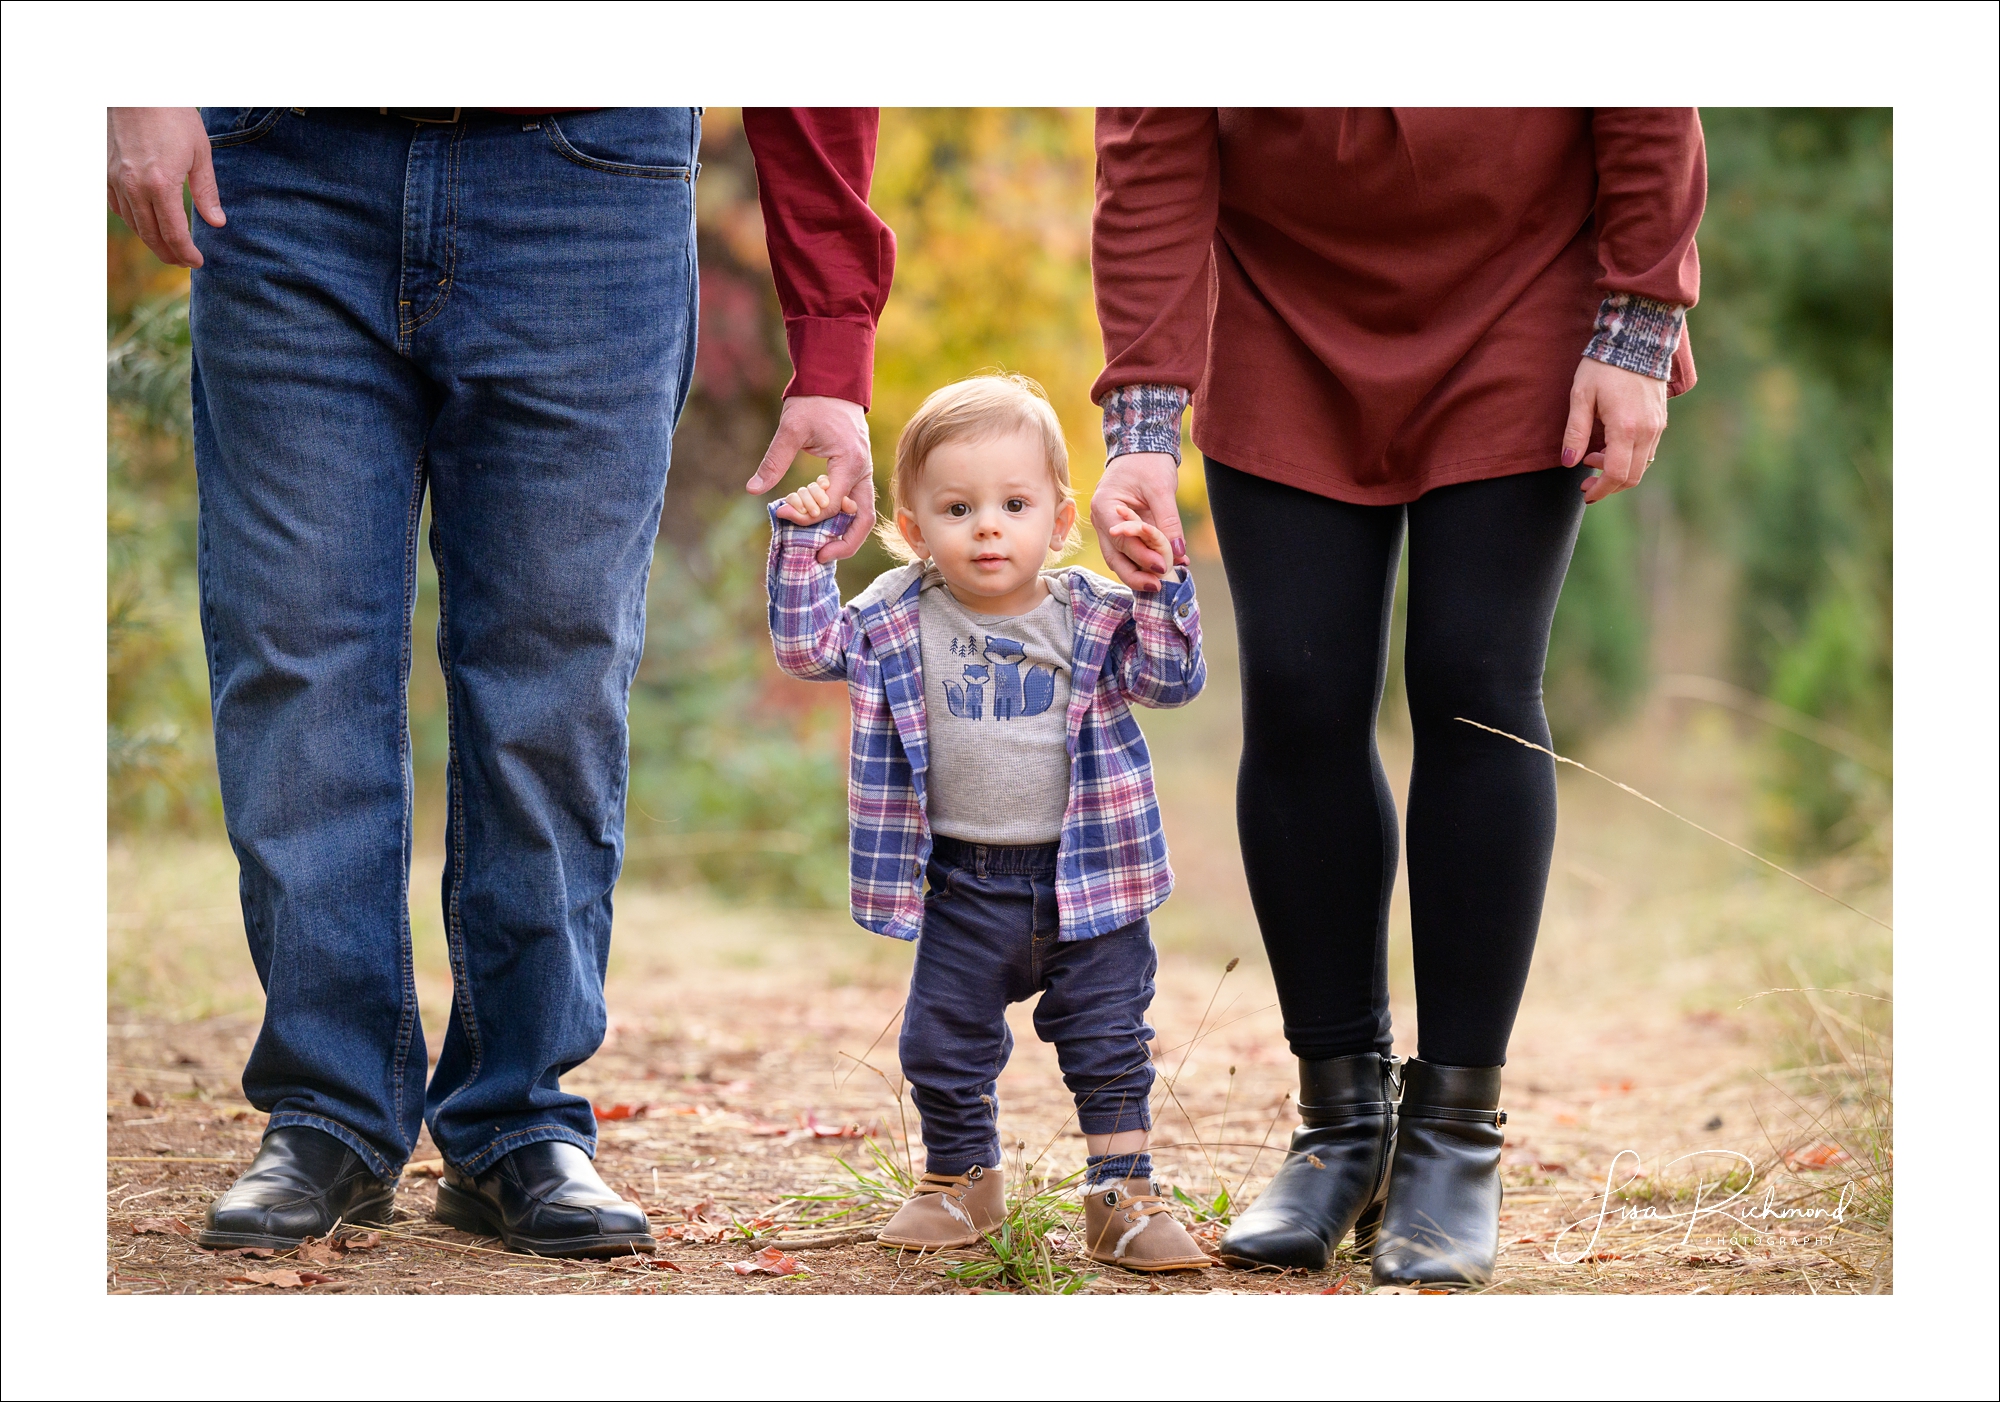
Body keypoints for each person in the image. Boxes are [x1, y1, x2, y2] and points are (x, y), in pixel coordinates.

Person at [105, 106, 894, 1257]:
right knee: (295, 654)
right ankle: (325, 1110)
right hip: (283, 158)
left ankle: (515, 1114)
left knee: (554, 672)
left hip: (587, 174)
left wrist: (831, 334)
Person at [1087, 108, 1704, 1286]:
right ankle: (1340, 1124)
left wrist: (1633, 327)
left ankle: (1454, 1137)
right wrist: (1144, 422)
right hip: (1278, 302)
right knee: (1301, 696)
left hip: (1523, 281)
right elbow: (1152, 145)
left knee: (1473, 685)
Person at [765, 374, 1210, 1272]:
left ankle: (1121, 1195)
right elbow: (808, 649)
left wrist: (1162, 584)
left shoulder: (1091, 614)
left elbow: (1171, 682)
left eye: (1014, 504)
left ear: (1060, 515)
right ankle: (962, 1181)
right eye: (958, 508)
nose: (988, 527)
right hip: (965, 883)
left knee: (1110, 1042)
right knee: (942, 1038)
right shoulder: (897, 614)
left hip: (1091, 879)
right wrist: (807, 547)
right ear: (914, 525)